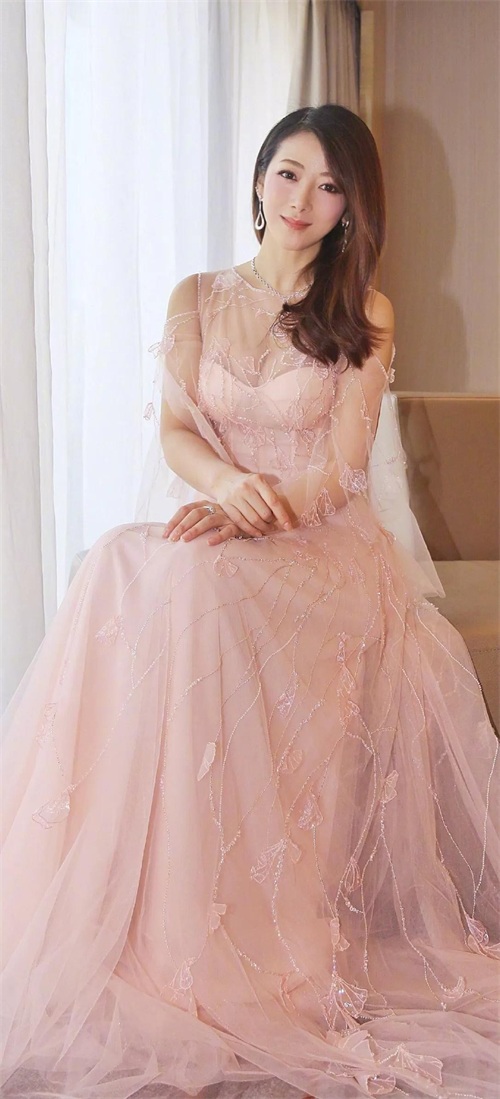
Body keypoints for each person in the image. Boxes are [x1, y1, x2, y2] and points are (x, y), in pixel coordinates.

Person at [1, 104, 498, 1099]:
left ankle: (233, 939)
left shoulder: (366, 311)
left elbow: (343, 471)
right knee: (115, 563)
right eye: (288, 173)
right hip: (226, 525)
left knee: (191, 579)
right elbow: (178, 432)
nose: (304, 199)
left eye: (329, 184)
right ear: (260, 179)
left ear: (353, 207)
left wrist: (261, 511)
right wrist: (225, 490)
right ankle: (127, 910)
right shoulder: (195, 296)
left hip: (320, 549)